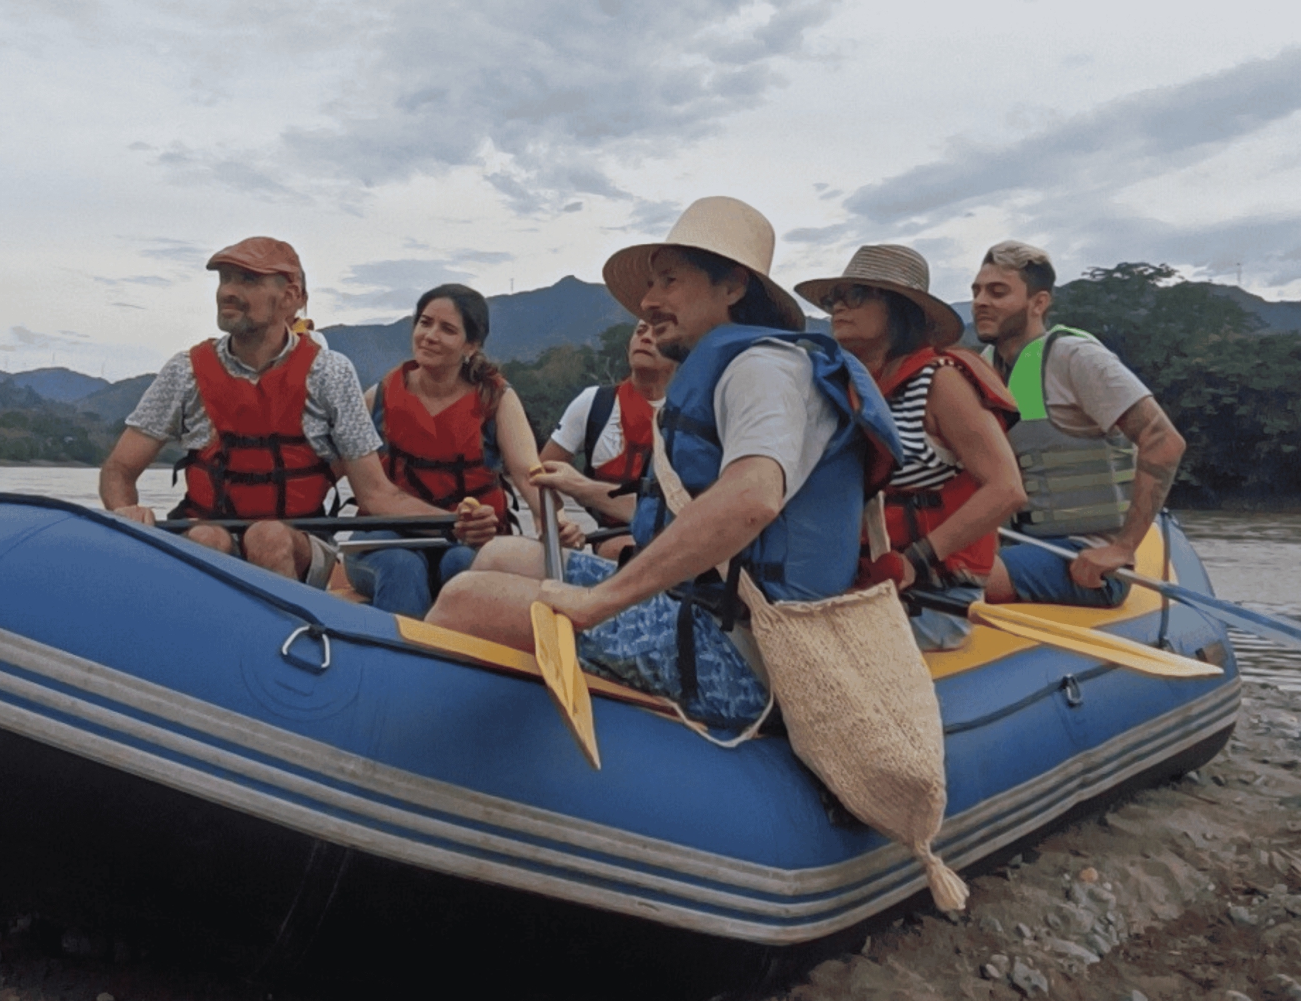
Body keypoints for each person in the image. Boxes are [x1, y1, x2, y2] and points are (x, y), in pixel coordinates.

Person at [427, 197, 898, 729]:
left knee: (468, 599)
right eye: (651, 285)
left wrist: (599, 601)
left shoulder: (764, 370)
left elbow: (753, 497)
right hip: (705, 610)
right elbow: (684, 514)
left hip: (749, 652)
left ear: (734, 286)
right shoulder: (727, 369)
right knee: (500, 555)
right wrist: (584, 493)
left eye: (669, 281)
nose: (648, 302)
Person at [99, 237, 495, 585]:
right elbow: (119, 469)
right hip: (204, 529)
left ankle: (287, 649)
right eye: (225, 279)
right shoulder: (184, 371)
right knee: (207, 537)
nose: (227, 292)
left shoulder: (330, 372)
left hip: (300, 541)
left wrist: (452, 523)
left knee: (267, 536)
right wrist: (125, 511)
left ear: (290, 297)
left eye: (248, 280)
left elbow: (376, 494)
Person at [795, 246, 1025, 650]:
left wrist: (914, 560)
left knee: (813, 647)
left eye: (858, 295)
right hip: (865, 583)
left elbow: (1006, 488)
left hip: (934, 596)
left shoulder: (941, 382)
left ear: (899, 308)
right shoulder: (850, 390)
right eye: (834, 298)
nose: (839, 308)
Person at [973, 240, 1187, 607]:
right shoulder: (986, 365)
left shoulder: (1075, 357)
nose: (980, 301)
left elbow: (1164, 440)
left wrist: (1121, 548)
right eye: (976, 291)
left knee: (956, 583)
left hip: (1085, 555)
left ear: (1038, 303)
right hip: (1018, 545)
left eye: (997, 292)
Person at [349, 283, 579, 616]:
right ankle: (397, 661)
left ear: (470, 345)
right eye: (424, 322)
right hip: (385, 538)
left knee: (462, 563)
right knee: (401, 566)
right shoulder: (379, 396)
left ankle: (460, 659)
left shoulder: (496, 399)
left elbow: (530, 476)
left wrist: (557, 520)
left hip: (469, 540)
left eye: (447, 329)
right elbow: (336, 470)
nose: (429, 335)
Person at [537, 319, 676, 558]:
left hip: (675, 540)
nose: (645, 337)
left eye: (658, 332)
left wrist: (580, 487)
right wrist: (559, 521)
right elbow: (540, 473)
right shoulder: (592, 403)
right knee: (622, 550)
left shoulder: (693, 416)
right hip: (613, 539)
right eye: (640, 331)